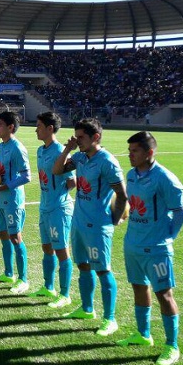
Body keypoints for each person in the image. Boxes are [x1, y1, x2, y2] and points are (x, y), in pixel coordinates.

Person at [116, 131, 183, 365]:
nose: (130, 155)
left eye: (134, 151)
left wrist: (168, 237)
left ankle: (172, 345)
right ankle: (143, 334)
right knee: (138, 287)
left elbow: (180, 211)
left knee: (164, 295)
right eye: (129, 151)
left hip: (156, 248)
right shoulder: (131, 175)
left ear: (149, 153)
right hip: (133, 243)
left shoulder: (164, 178)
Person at [53, 117, 127, 336]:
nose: (78, 141)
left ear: (96, 137)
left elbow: (122, 194)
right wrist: (67, 148)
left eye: (81, 137)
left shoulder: (107, 161)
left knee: (103, 270)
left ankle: (109, 319)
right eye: (76, 137)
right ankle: (87, 308)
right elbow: (57, 170)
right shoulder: (80, 157)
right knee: (83, 265)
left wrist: (113, 221)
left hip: (98, 226)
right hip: (78, 222)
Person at [31, 112, 75, 308]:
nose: (36, 129)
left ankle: (65, 294)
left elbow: (72, 181)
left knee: (62, 251)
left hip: (59, 208)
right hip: (45, 206)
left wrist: (59, 193)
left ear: (50, 129)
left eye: (39, 126)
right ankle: (49, 287)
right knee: (47, 248)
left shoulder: (61, 151)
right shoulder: (41, 150)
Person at [0, 111, 32, 294]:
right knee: (3, 235)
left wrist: (5, 187)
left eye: (0, 125)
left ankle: (23, 279)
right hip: (0, 198)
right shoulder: (0, 146)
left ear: (10, 127)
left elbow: (26, 175)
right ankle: (8, 273)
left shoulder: (17, 148)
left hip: (13, 199)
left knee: (15, 237)